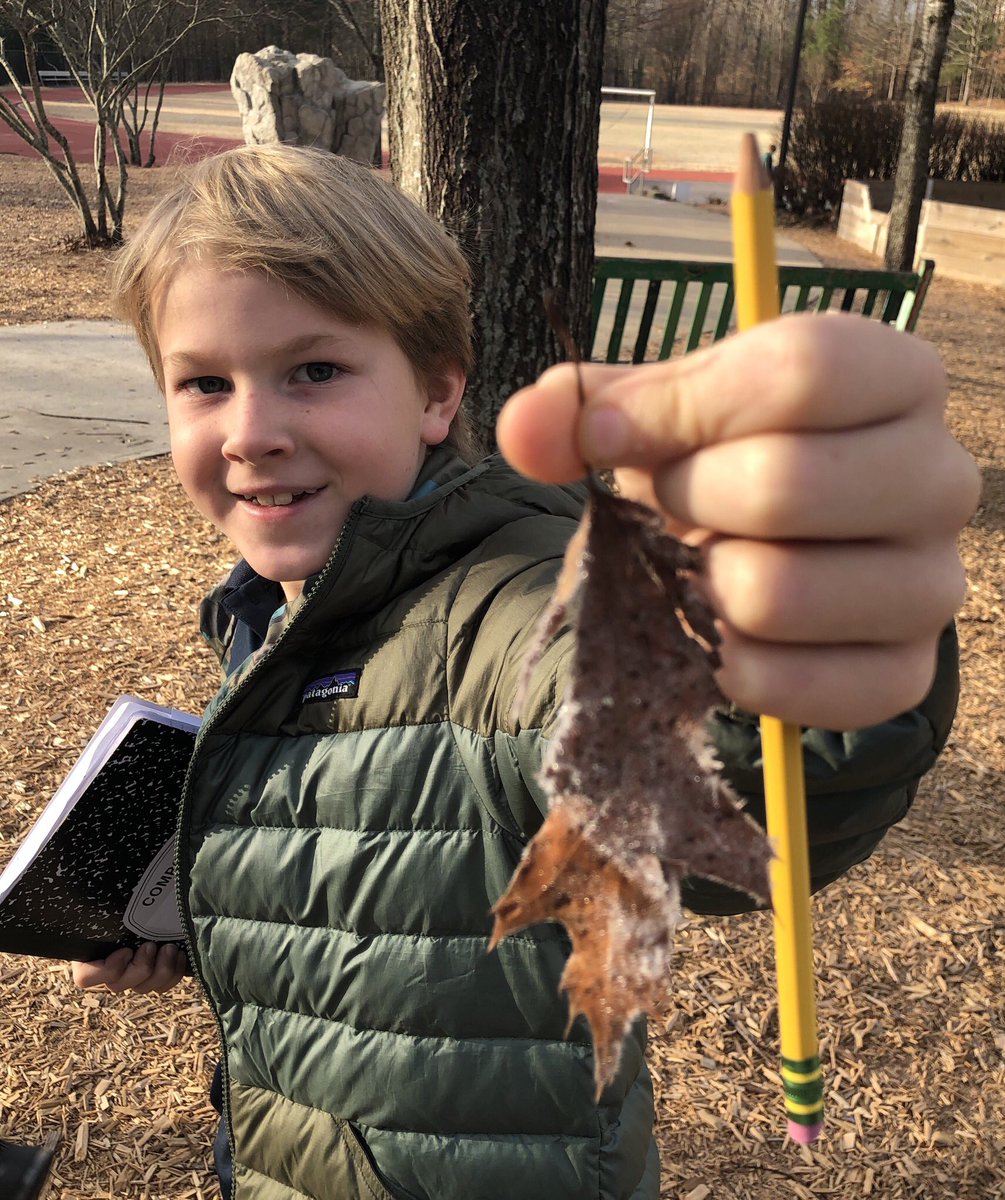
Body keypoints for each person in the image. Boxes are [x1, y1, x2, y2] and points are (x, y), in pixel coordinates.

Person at [72, 144, 978, 1200]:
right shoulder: (269, 613)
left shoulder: (510, 620)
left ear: (437, 392)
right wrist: (201, 927)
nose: (253, 433)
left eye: (314, 371)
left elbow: (703, 762)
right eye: (205, 383)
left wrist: (805, 625)